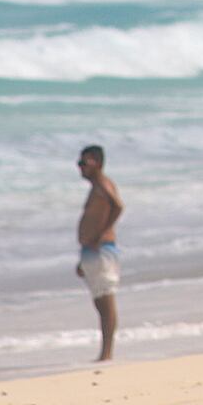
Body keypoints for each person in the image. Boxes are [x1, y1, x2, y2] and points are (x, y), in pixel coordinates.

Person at [74, 145, 124, 362]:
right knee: (99, 301)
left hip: (102, 249)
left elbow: (118, 206)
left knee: (106, 302)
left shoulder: (103, 184)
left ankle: (107, 353)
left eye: (84, 163)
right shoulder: (96, 187)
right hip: (92, 252)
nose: (80, 168)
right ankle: (105, 352)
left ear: (97, 162)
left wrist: (101, 233)